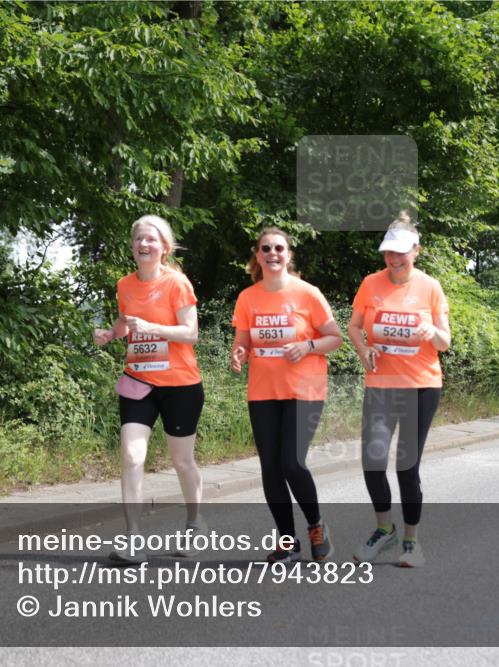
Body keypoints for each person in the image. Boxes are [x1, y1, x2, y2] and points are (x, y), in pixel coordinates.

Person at [93, 215, 206, 563]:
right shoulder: (125, 284)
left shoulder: (177, 283)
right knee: (131, 456)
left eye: (151, 240)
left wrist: (152, 328)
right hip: (139, 381)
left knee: (182, 461)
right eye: (139, 239)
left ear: (164, 248)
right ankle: (133, 539)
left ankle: (195, 523)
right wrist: (111, 334)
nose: (144, 244)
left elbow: (191, 333)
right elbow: (126, 321)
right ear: (132, 246)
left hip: (180, 385)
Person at [230, 228, 343, 563]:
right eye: (266, 248)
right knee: (270, 467)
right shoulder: (248, 297)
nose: (272, 253)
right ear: (258, 255)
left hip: (304, 389)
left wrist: (308, 345)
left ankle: (316, 526)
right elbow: (242, 341)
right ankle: (287, 539)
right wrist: (239, 354)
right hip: (263, 390)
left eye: (279, 248)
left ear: (288, 255)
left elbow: (335, 338)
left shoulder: (307, 293)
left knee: (291, 462)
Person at [347, 212, 451, 568]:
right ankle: (384, 529)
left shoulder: (430, 287)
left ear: (416, 251)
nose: (394, 259)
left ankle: (411, 542)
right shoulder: (370, 284)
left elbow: (445, 341)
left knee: (407, 466)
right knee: (373, 462)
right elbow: (355, 326)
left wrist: (431, 332)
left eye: (401, 252)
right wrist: (364, 351)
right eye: (389, 252)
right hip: (380, 385)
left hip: (421, 386)